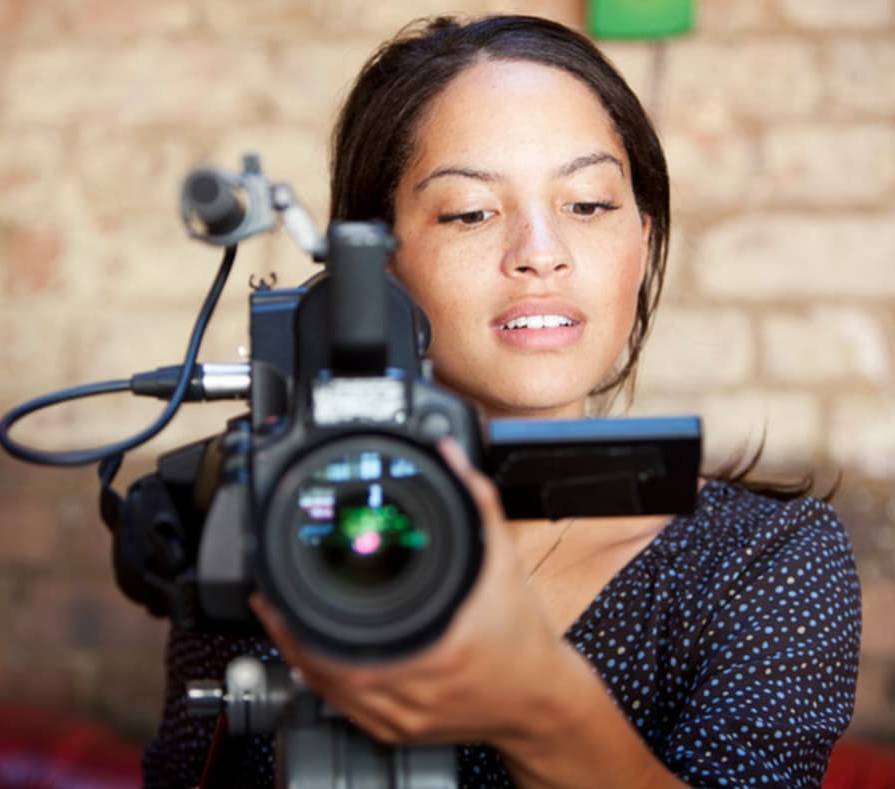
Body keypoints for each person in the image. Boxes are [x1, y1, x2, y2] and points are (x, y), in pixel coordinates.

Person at [142, 15, 861, 788]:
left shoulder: (762, 561)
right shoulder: (278, 517)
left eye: (587, 204)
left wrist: (538, 709)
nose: (540, 253)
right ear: (371, 266)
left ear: (644, 240)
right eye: (470, 212)